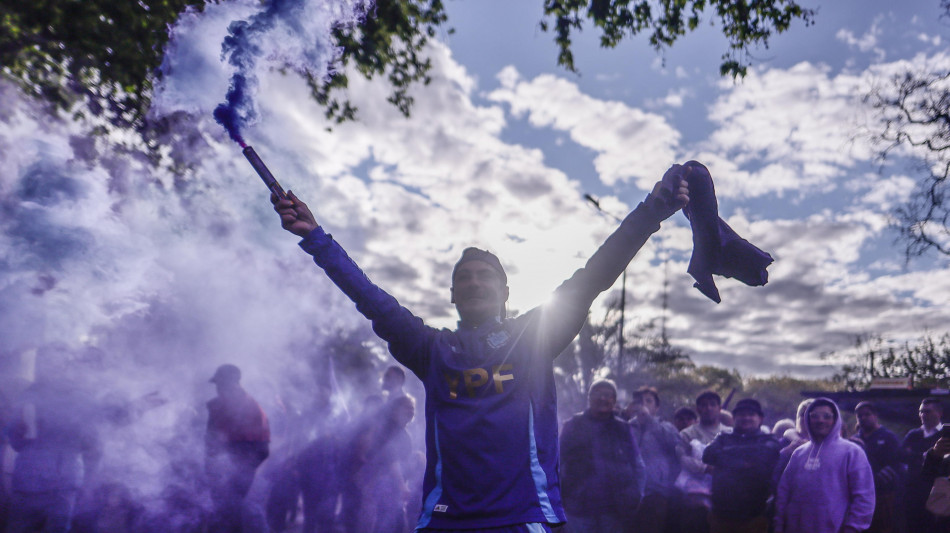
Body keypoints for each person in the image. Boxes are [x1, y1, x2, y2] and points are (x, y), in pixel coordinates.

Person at [272, 165, 691, 531]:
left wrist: (652, 210)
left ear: (506, 291)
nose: (473, 283)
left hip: (523, 518)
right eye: (464, 279)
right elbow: (370, 297)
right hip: (443, 521)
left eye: (484, 276)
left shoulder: (534, 335)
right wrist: (316, 238)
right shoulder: (429, 347)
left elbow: (595, 273)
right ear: (452, 295)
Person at [5, 375, 101, 533]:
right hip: (54, 483)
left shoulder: (32, 398)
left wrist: (30, 434)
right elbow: (92, 446)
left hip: (41, 482)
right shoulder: (81, 401)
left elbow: (15, 441)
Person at [774, 397, 875, 533]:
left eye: (827, 416)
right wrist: (779, 526)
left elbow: (864, 497)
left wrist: (853, 528)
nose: (820, 420)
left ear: (835, 420)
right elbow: (784, 493)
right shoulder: (798, 453)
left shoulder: (852, 452)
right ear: (807, 420)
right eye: (814, 416)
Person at [559, 380, 645, 532]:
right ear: (589, 397)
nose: (602, 398)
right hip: (576, 509)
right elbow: (556, 463)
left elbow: (637, 465)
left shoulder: (623, 429)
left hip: (614, 510)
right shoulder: (572, 425)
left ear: (614, 400)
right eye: (597, 393)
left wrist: (636, 496)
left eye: (608, 395)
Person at [205, 364, 271, 533]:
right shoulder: (217, 406)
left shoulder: (251, 407)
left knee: (235, 511)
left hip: (236, 473)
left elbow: (262, 448)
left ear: (232, 383)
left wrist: (241, 472)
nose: (217, 388)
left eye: (220, 384)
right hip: (217, 472)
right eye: (217, 384)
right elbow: (211, 441)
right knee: (222, 513)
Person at [702, 398, 783, 533]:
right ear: (734, 418)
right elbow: (708, 455)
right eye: (741, 414)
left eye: (751, 414)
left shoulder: (769, 440)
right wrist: (744, 460)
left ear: (760, 418)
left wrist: (726, 458)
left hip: (755, 515)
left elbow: (762, 458)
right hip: (720, 513)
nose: (746, 418)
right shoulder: (723, 438)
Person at [627, 386, 687, 533]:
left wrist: (649, 420)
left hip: (656, 492)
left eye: (648, 401)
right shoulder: (626, 427)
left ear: (657, 407)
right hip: (629, 492)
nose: (643, 404)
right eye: (640, 401)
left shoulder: (666, 426)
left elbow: (675, 445)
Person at [678, 390, 730, 533]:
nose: (708, 408)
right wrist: (706, 468)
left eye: (712, 405)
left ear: (719, 409)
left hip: (724, 492)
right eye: (704, 405)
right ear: (698, 409)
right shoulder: (687, 434)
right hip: (694, 493)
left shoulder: (730, 433)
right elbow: (682, 459)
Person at [850, 401, 901, 533]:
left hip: (884, 495)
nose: (863, 418)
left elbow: (897, 464)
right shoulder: (853, 440)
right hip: (859, 495)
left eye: (867, 414)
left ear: (875, 416)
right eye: (859, 416)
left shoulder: (889, 437)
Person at [901, 397, 945, 533]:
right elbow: (901, 456)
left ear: (939, 413)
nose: (922, 415)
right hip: (914, 493)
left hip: (939, 493)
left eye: (927, 411)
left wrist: (917, 456)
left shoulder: (945, 435)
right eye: (921, 412)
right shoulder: (913, 435)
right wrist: (930, 455)